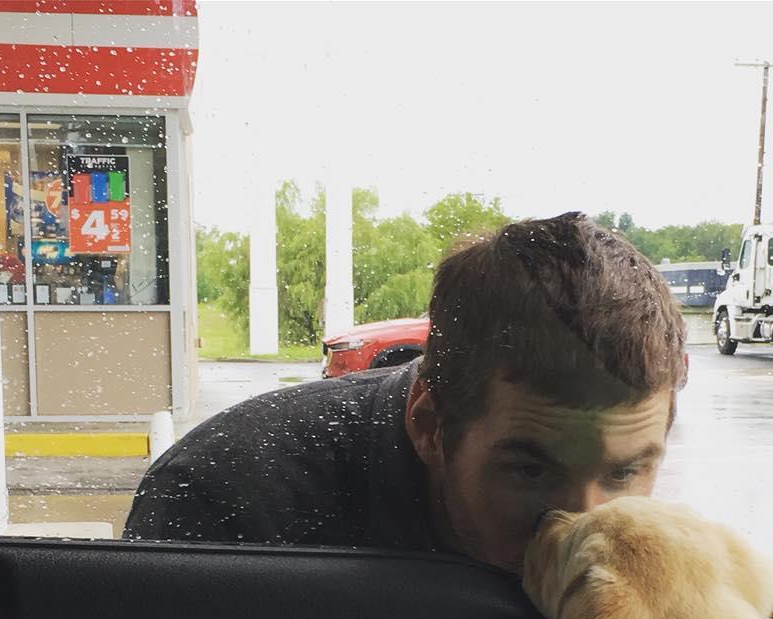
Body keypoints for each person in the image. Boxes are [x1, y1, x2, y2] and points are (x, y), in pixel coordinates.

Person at [123, 212, 688, 574]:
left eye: (622, 474)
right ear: (428, 426)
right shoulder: (226, 503)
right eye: (531, 473)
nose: (582, 538)